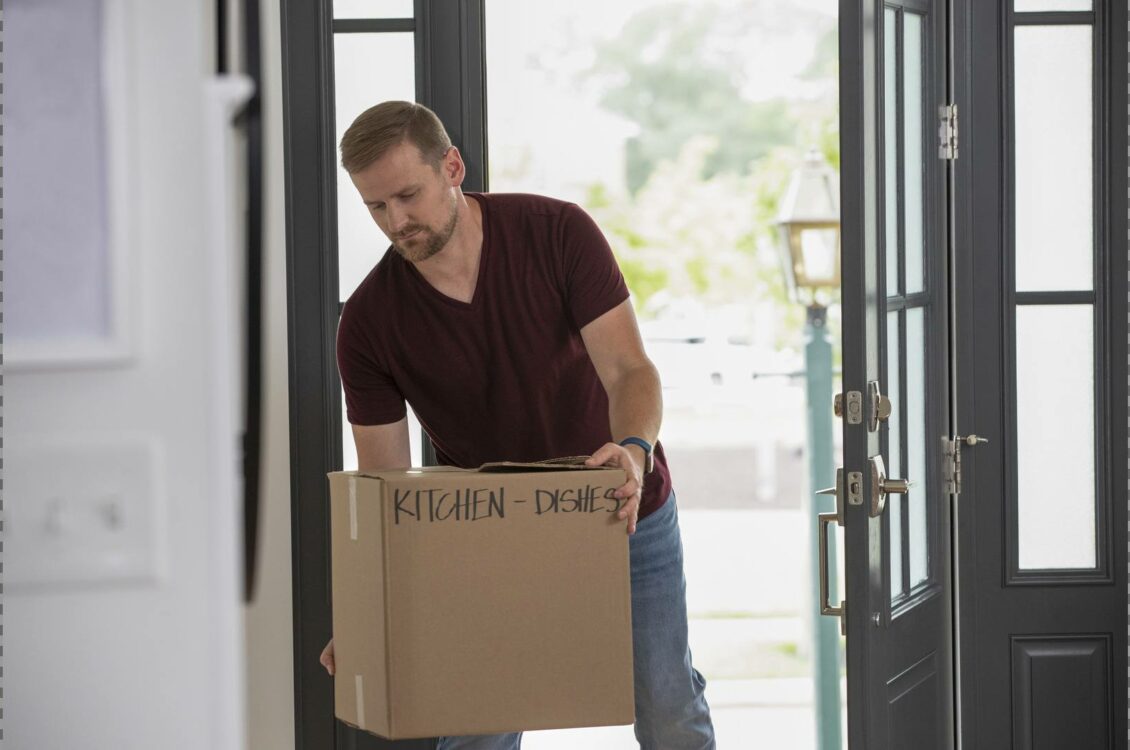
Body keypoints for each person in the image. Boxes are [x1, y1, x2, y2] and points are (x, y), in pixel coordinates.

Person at [318, 100, 715, 750]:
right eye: (376, 207)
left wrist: (636, 451)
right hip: (489, 533)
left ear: (452, 166)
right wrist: (371, 612)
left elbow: (630, 372)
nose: (396, 222)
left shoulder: (557, 233)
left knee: (668, 711)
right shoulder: (367, 324)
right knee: (473, 731)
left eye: (408, 196)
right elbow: (384, 484)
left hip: (620, 509)